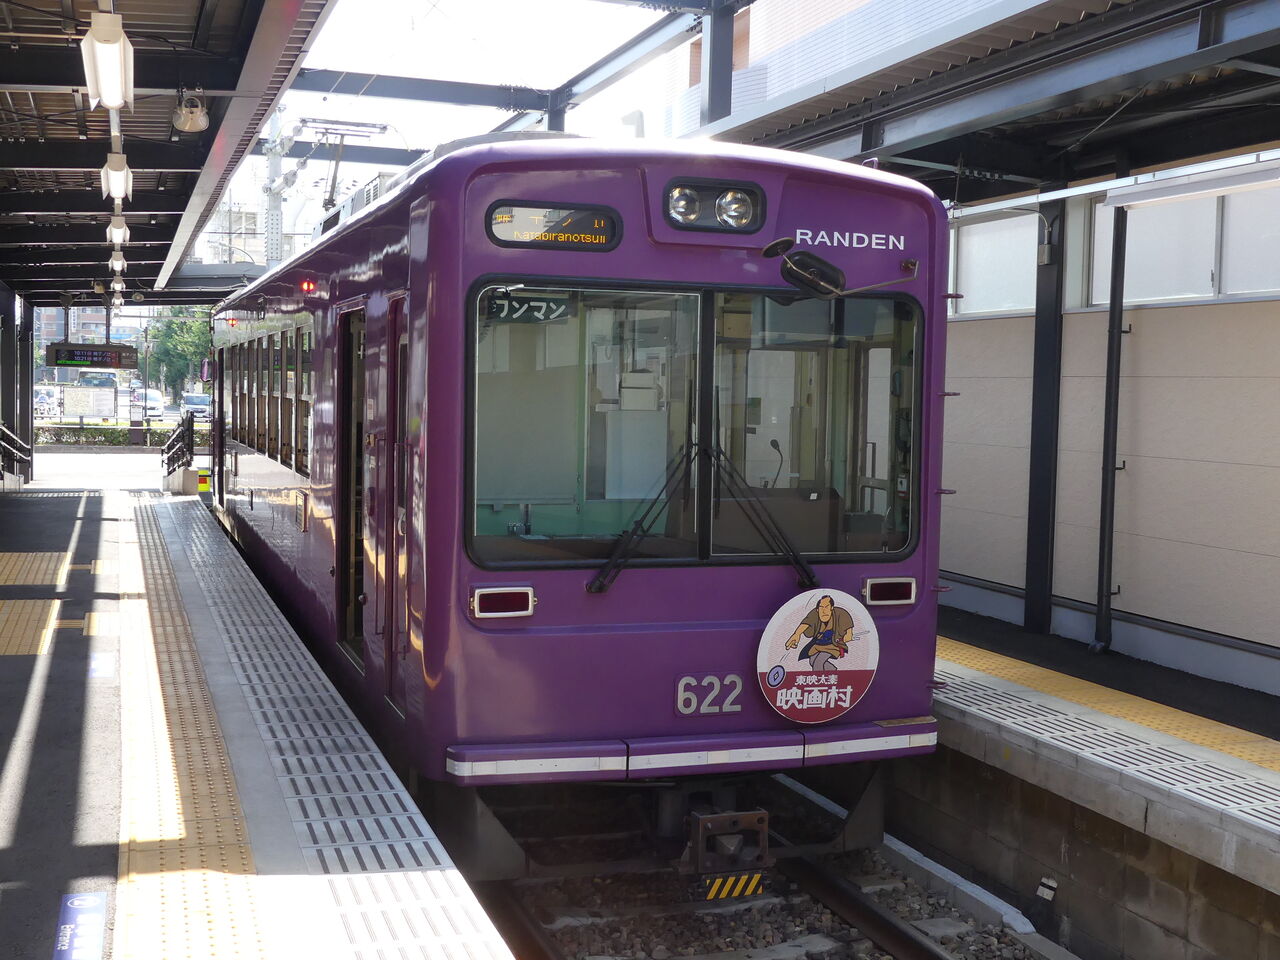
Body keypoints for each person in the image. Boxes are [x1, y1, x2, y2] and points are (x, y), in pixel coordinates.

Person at [784, 594, 854, 671]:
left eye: (826, 607)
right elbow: (806, 622)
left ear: (831, 608)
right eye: (821, 607)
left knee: (818, 662)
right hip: (818, 645)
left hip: (833, 645)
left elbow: (848, 630)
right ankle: (834, 671)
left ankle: (818, 677)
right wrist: (797, 634)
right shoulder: (815, 613)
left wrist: (848, 634)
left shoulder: (840, 613)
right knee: (812, 661)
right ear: (817, 609)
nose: (824, 611)